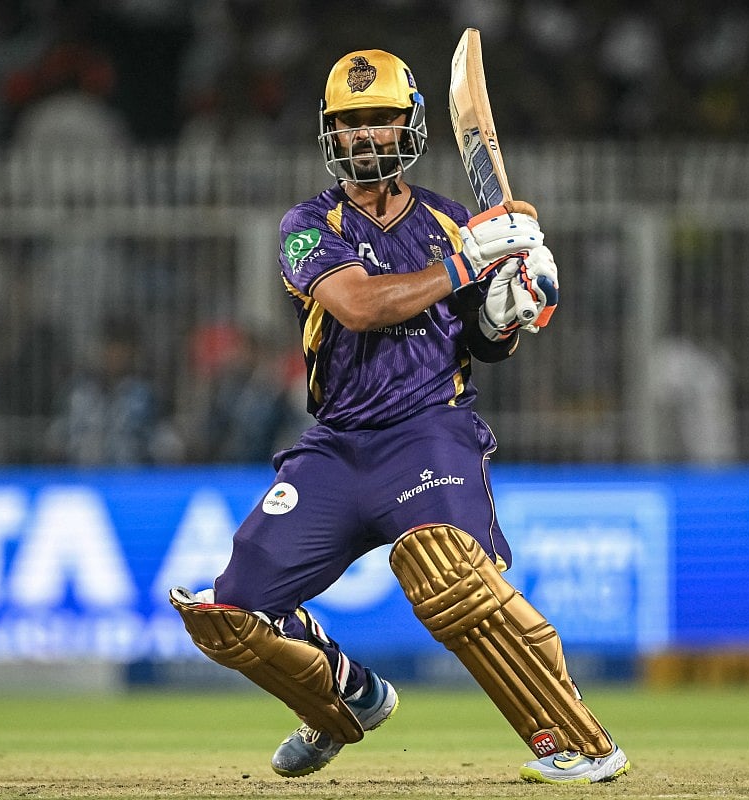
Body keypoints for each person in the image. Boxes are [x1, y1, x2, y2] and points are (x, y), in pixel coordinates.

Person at [169, 48, 627, 785]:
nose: (364, 137)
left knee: (451, 572)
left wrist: (513, 306)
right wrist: (468, 263)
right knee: (230, 613)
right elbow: (357, 305)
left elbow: (484, 339)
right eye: (349, 124)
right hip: (339, 446)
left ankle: (580, 743)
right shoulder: (307, 224)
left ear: (408, 126)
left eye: (379, 120)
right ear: (329, 133)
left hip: (429, 434)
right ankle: (342, 702)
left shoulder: (449, 220)